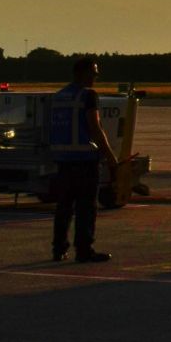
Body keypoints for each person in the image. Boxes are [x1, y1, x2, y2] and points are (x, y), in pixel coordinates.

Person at [45, 57, 118, 263]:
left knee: (64, 208)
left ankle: (58, 249)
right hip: (84, 160)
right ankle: (84, 249)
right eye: (93, 72)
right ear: (82, 73)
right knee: (86, 208)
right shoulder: (87, 96)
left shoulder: (59, 96)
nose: (96, 76)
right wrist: (110, 156)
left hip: (63, 161)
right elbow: (95, 128)